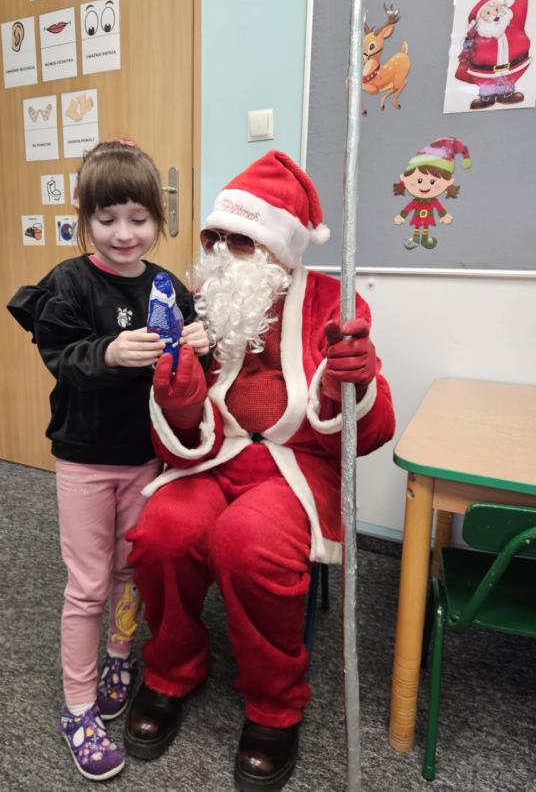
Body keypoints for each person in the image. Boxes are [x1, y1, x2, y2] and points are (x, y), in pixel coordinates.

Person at [124, 150, 395, 790]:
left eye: (240, 241)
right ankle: (172, 668)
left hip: (297, 466)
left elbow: (370, 435)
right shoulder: (199, 305)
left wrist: (356, 384)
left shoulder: (334, 301)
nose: (221, 253)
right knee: (162, 532)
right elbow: (179, 439)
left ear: (279, 248)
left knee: (249, 544)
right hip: (215, 457)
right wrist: (180, 400)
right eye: (212, 238)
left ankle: (275, 704)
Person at [6, 140, 210, 782]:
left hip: (145, 457)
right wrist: (107, 353)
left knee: (129, 570)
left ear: (159, 218)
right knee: (87, 583)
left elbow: (190, 371)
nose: (124, 233)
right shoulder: (68, 283)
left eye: (139, 219)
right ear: (85, 217)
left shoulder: (167, 286)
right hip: (85, 458)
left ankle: (120, 657)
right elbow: (61, 357)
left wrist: (201, 344)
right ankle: (77, 708)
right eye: (107, 218)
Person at [455, 0, 532, 110]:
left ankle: (506, 95)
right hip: (485, 71)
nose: (495, 14)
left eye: (497, 8)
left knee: (508, 81)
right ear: (480, 18)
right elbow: (468, 49)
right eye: (488, 12)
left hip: (513, 66)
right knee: (487, 85)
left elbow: (520, 9)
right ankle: (486, 99)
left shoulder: (511, 20)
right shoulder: (477, 33)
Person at [393, 137, 472, 250]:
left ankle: (425, 239)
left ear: (448, 183)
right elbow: (409, 207)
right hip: (418, 218)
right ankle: (415, 238)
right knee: (417, 227)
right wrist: (401, 216)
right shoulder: (416, 201)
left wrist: (444, 215)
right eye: (419, 180)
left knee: (425, 227)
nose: (425, 186)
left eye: (432, 182)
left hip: (427, 218)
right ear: (404, 179)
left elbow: (439, 207)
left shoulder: (433, 200)